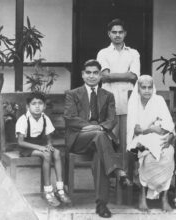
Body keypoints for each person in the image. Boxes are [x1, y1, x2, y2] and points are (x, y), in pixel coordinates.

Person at [64, 59, 131, 218]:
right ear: (83, 75)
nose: (92, 76)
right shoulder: (72, 94)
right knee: (101, 136)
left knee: (100, 157)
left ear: (100, 75)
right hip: (79, 138)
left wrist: (99, 128)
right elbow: (70, 118)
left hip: (100, 140)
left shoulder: (108, 96)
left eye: (95, 73)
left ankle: (102, 205)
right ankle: (119, 170)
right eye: (88, 73)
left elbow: (111, 119)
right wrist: (94, 128)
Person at [126, 75, 175, 212]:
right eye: (144, 87)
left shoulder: (158, 100)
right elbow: (135, 129)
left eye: (150, 87)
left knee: (168, 153)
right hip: (139, 140)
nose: (147, 91)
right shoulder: (134, 102)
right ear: (138, 89)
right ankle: (142, 196)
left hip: (160, 138)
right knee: (148, 157)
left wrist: (170, 135)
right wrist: (150, 129)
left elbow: (168, 123)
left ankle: (164, 197)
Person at [16, 92, 71, 207]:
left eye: (40, 103)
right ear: (28, 106)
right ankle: (48, 191)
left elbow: (49, 138)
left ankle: (60, 189)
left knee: (56, 153)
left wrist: (49, 145)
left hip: (40, 144)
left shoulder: (45, 118)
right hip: (27, 147)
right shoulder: (23, 119)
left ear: (44, 106)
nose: (37, 106)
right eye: (34, 103)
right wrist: (40, 148)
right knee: (46, 155)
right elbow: (21, 142)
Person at [96, 18, 140, 138]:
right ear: (109, 34)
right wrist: (126, 75)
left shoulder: (133, 53)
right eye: (114, 32)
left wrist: (111, 76)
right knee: (110, 137)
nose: (117, 35)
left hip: (128, 99)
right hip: (109, 99)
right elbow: (104, 77)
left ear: (125, 33)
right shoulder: (103, 53)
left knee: (127, 137)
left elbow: (133, 76)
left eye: (120, 32)